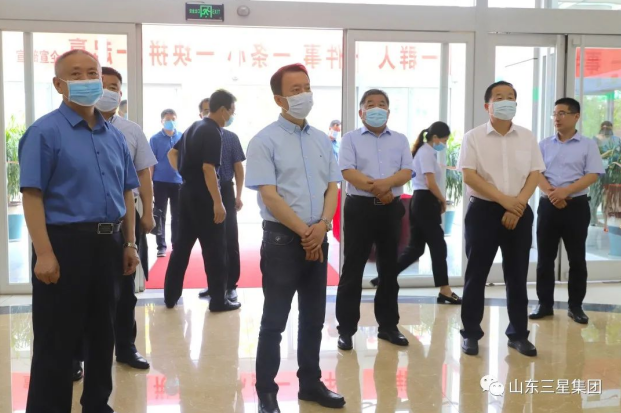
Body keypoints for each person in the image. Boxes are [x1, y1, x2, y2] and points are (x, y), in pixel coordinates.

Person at [19, 49, 139, 413]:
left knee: (104, 334)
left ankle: (97, 405)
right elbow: (32, 195)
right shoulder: (44, 132)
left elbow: (126, 191)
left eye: (92, 74)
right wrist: (44, 253)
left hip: (109, 244)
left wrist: (130, 243)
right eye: (76, 74)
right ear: (59, 84)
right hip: (64, 244)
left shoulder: (114, 136)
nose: (87, 81)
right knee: (57, 338)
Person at [246, 64, 345, 413]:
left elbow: (332, 187)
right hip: (283, 242)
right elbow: (270, 196)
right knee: (274, 321)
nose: (304, 95)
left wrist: (322, 225)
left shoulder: (321, 139)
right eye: (295, 90)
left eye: (307, 87)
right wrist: (307, 232)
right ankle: (266, 392)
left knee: (313, 318)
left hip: (317, 236)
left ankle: (310, 384)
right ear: (280, 99)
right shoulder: (263, 141)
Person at [457, 81, 545, 357]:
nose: (506, 101)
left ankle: (518, 334)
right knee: (476, 274)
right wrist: (505, 201)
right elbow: (469, 175)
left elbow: (535, 173)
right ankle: (471, 333)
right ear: (488, 105)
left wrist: (517, 205)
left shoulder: (527, 137)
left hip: (519, 209)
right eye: (499, 97)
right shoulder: (473, 137)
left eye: (510, 97)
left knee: (517, 275)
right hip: (483, 212)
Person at [336, 89, 413, 352]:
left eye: (382, 104)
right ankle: (346, 330)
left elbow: (406, 171)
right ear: (361, 112)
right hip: (359, 208)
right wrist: (380, 189)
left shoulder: (400, 139)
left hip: (391, 209)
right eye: (370, 104)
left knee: (389, 270)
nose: (376, 108)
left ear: (388, 112)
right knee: (353, 268)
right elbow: (348, 171)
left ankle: (388, 326)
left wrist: (385, 186)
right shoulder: (350, 138)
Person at [93, 66, 157, 370]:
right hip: (86, 224)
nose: (108, 91)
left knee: (125, 289)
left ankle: (126, 347)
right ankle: (79, 356)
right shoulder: (74, 129)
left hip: (125, 220)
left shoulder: (131, 131)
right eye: (102, 85)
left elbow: (144, 174)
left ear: (120, 93)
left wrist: (149, 212)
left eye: (113, 86)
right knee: (84, 293)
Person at [163, 89, 241, 313]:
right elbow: (208, 168)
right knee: (215, 248)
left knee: (181, 247)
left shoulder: (193, 127)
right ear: (223, 110)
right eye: (232, 111)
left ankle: (170, 296)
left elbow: (172, 154)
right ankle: (218, 300)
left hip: (186, 193)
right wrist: (218, 202)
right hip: (205, 196)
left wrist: (184, 173)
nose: (231, 116)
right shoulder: (214, 131)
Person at [530, 98, 604, 324]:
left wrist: (566, 192)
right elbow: (536, 172)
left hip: (576, 207)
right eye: (555, 113)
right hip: (548, 206)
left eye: (562, 113)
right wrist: (553, 193)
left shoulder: (588, 145)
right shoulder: (544, 144)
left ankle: (575, 306)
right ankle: (544, 304)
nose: (557, 118)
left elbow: (593, 174)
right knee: (545, 259)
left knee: (577, 259)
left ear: (576, 116)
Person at [369, 122, 461, 303]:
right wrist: (443, 200)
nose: (444, 144)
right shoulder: (426, 153)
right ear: (435, 138)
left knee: (416, 249)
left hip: (420, 202)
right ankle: (445, 290)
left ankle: (384, 276)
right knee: (438, 246)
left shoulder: (426, 152)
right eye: (444, 140)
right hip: (426, 202)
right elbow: (430, 182)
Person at [197, 97, 246, 302]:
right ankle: (214, 285)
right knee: (210, 242)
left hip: (225, 190)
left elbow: (238, 168)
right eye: (204, 110)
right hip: (204, 193)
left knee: (229, 240)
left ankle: (231, 285)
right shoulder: (198, 134)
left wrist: (238, 195)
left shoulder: (231, 138)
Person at [150, 109, 183, 257]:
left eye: (173, 119)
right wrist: (150, 183)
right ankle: (161, 246)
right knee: (160, 214)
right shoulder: (155, 139)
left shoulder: (182, 137)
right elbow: (150, 163)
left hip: (178, 181)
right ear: (162, 122)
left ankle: (176, 244)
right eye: (167, 119)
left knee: (177, 215)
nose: (171, 122)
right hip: (160, 182)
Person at [589, 121, 620, 225]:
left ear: (612, 128)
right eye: (604, 126)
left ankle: (608, 220)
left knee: (609, 196)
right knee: (595, 195)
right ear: (601, 127)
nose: (606, 128)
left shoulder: (617, 140)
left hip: (613, 172)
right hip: (597, 171)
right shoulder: (594, 140)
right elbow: (590, 155)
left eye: (608, 127)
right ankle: (593, 219)